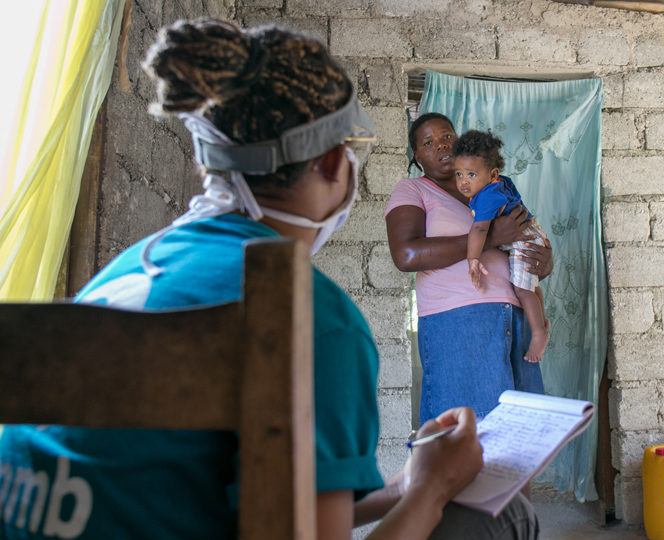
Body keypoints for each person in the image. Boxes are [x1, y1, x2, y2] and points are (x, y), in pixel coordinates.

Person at [0, 20, 537, 540]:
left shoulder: (130, 268)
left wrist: (407, 486)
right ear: (333, 164)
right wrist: (436, 483)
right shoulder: (308, 317)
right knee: (503, 516)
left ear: (210, 163)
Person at [385, 113, 554, 423]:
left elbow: (521, 239)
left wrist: (543, 261)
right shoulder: (413, 190)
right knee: (470, 433)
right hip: (459, 322)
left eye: (447, 136)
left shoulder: (490, 188)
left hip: (515, 318)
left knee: (521, 432)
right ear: (417, 157)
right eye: (428, 142)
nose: (441, 145)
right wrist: (491, 238)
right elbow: (406, 255)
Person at [453, 130, 550, 362]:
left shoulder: (487, 196)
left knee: (522, 290)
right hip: (529, 233)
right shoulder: (499, 184)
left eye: (471, 174)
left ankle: (538, 333)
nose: (463, 181)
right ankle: (542, 322)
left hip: (523, 240)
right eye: (459, 174)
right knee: (531, 288)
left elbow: (479, 230)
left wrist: (473, 259)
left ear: (493, 173)